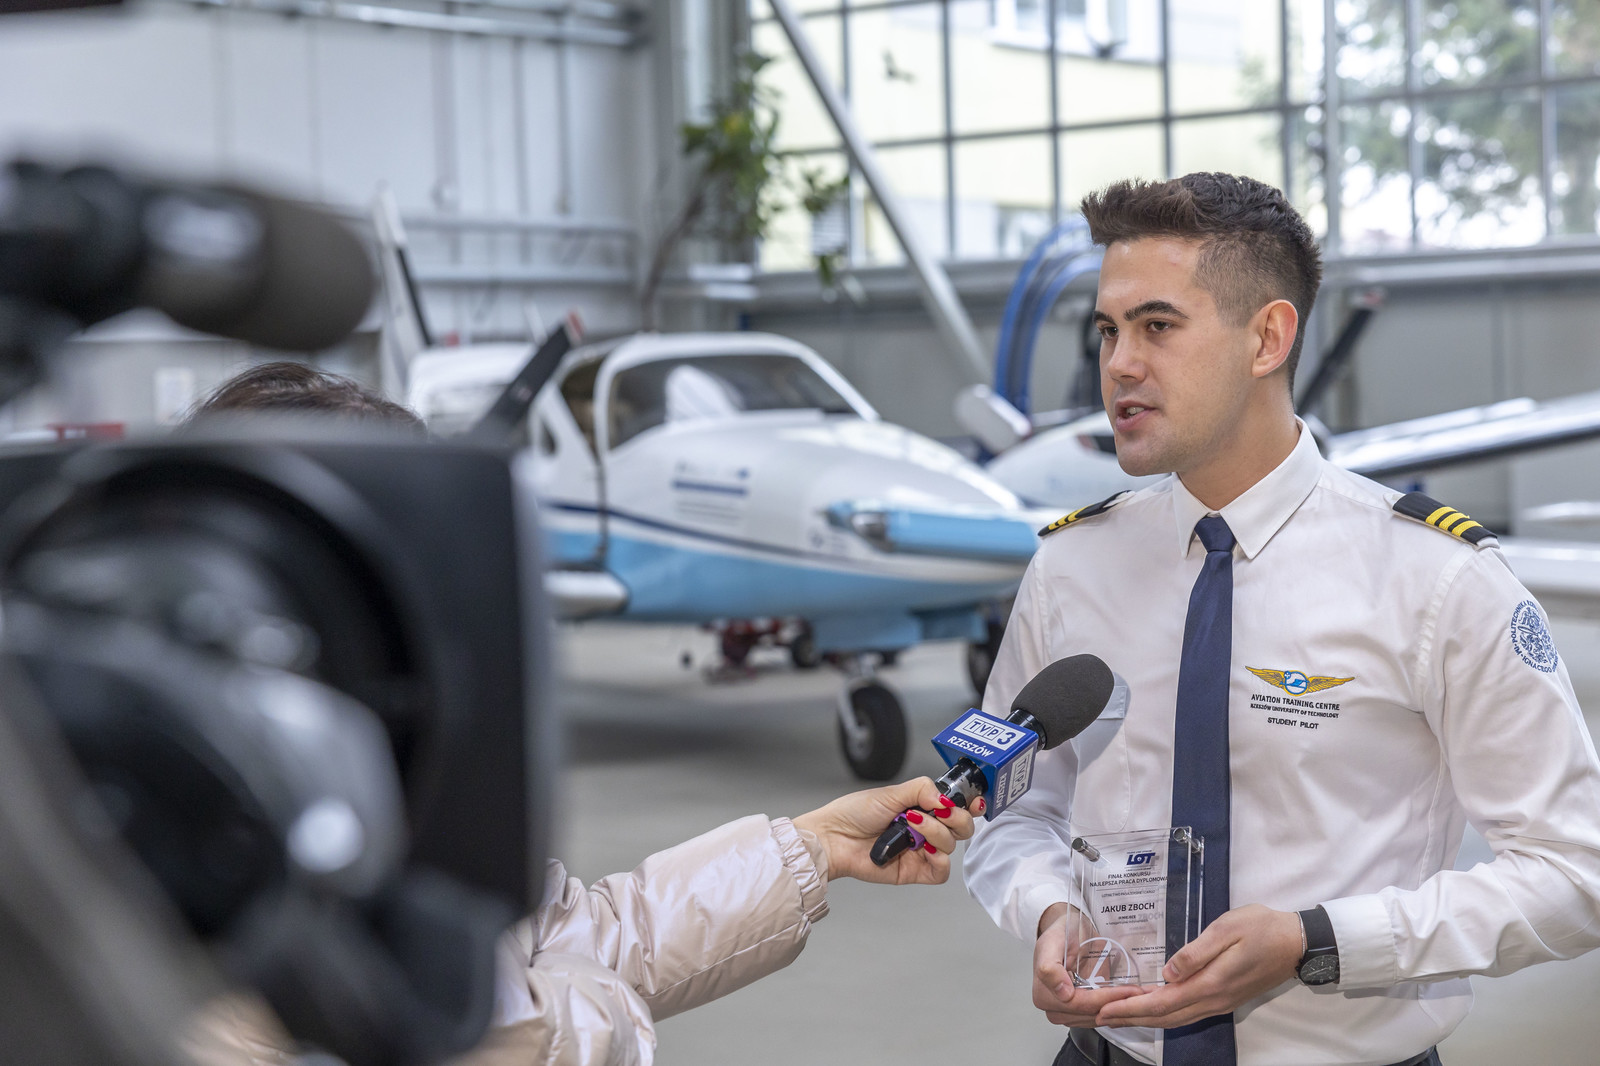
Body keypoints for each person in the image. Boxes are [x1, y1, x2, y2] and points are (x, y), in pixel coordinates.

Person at [962, 172, 1600, 1066]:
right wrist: (1048, 907)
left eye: (1157, 326)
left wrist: (1319, 939)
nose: (1119, 364)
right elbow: (1011, 807)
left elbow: (1574, 873)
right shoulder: (1071, 567)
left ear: (1268, 337)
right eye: (1107, 330)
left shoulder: (1438, 579)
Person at [179, 361, 983, 1066]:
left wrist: (811, 848)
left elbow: (575, 938)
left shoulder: (407, 791)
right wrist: (590, 1017)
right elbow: (512, 1026)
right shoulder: (184, 893)